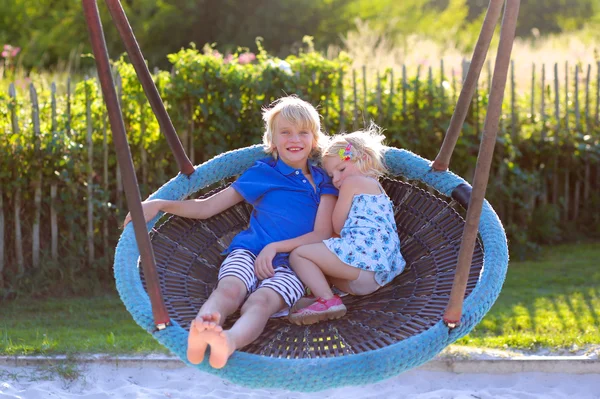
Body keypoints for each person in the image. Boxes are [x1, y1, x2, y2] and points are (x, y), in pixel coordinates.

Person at [123, 96, 338, 368]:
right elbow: (208, 207)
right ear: (272, 141)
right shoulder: (263, 173)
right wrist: (161, 204)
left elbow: (322, 234)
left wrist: (276, 248)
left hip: (295, 266)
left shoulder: (324, 181)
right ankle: (203, 327)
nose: (294, 139)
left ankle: (228, 341)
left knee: (260, 303)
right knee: (229, 291)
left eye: (302, 133)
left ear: (315, 140)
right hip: (248, 252)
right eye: (286, 132)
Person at [288, 123, 406, 325]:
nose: (337, 179)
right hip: (377, 274)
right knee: (320, 261)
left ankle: (327, 300)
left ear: (364, 160)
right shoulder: (378, 190)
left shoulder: (353, 183)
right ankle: (323, 296)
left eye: (341, 169)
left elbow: (337, 224)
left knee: (299, 255)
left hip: (364, 258)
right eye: (332, 176)